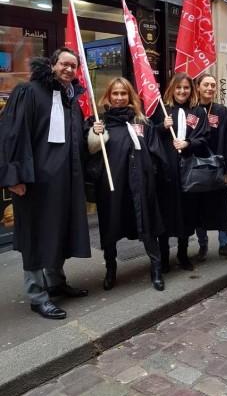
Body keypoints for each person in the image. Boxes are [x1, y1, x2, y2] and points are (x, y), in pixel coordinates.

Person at [0, 49, 90, 320]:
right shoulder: (28, 92)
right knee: (36, 236)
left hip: (65, 182)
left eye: (73, 66)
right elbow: (12, 136)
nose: (69, 69)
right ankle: (38, 295)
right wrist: (14, 177)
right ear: (52, 65)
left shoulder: (71, 99)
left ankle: (55, 281)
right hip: (35, 182)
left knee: (59, 231)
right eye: (64, 64)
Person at [87, 78, 166, 291]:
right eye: (116, 94)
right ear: (109, 96)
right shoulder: (99, 122)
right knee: (111, 225)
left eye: (124, 94)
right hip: (113, 185)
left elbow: (155, 151)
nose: (120, 98)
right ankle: (111, 269)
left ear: (130, 97)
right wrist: (95, 134)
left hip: (141, 184)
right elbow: (90, 154)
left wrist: (152, 174)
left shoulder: (142, 122)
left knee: (147, 225)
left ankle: (156, 268)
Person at [153, 73, 208, 272]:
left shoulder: (198, 111)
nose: (182, 91)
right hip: (167, 171)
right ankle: (164, 256)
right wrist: (161, 127)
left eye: (186, 88)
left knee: (187, 214)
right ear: (171, 89)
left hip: (189, 171)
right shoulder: (162, 110)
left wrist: (188, 143)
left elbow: (204, 137)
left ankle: (183, 255)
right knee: (166, 214)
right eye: (178, 88)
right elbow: (149, 136)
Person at [194, 74, 227, 261]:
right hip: (197, 168)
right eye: (206, 84)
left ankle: (225, 244)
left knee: (222, 207)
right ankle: (202, 245)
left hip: (217, 167)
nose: (210, 88)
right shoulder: (192, 110)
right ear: (198, 87)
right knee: (199, 209)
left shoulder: (221, 111)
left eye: (213, 85)